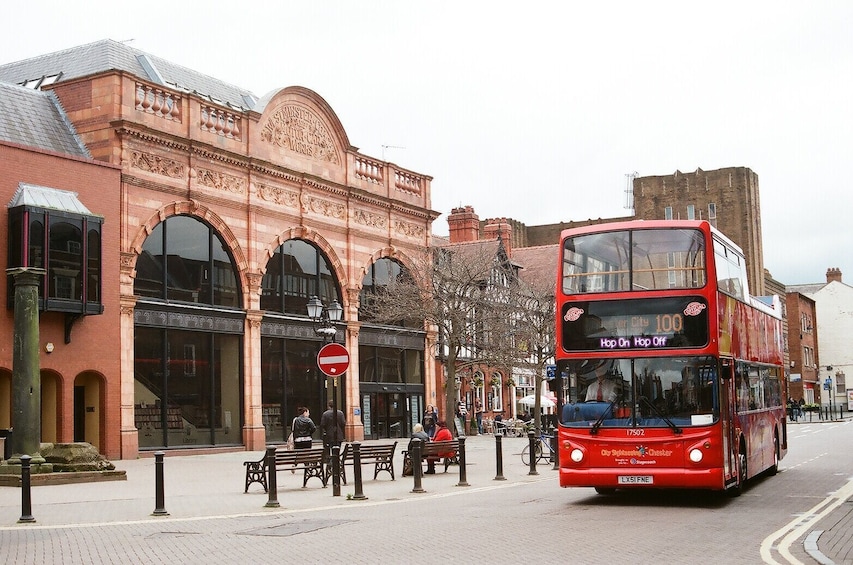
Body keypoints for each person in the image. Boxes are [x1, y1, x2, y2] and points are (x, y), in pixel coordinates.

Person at [320, 400, 346, 464]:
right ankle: (336, 460)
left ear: (329, 406)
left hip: (329, 435)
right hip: (339, 435)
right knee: (338, 449)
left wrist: (327, 429)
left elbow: (322, 424)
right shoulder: (340, 413)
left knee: (331, 448)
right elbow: (343, 423)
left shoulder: (325, 414)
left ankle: (332, 461)